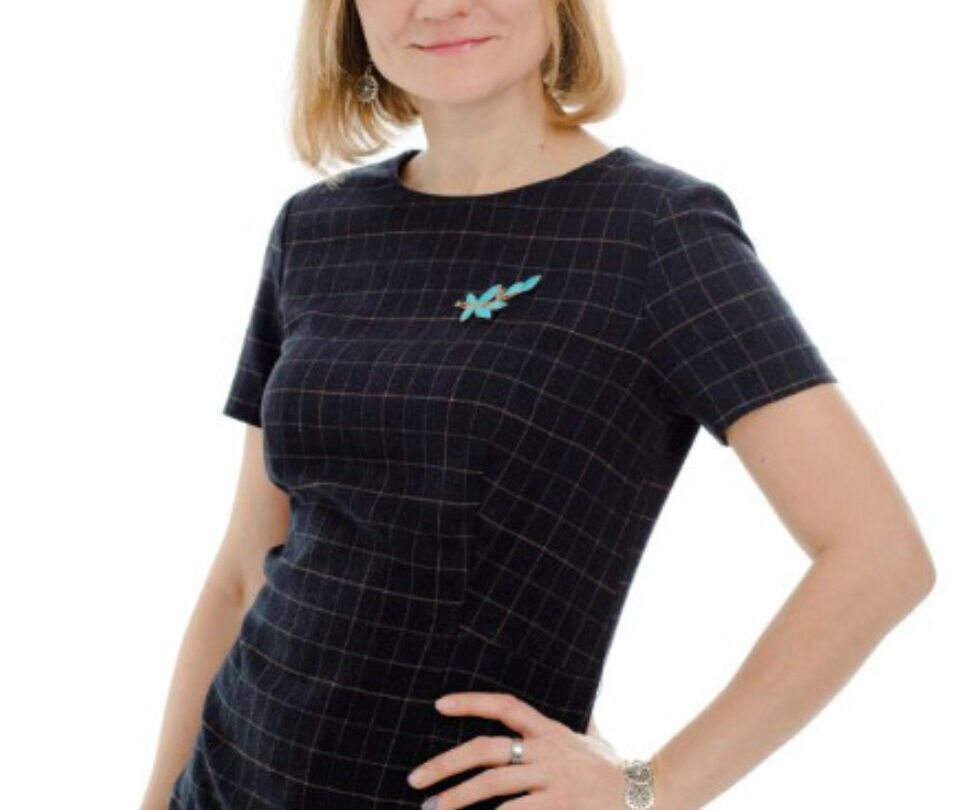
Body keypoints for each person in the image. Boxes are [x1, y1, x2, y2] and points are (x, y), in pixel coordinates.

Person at [142, 2, 936, 809]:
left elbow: (879, 554)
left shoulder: (655, 232)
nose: (440, 6)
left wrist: (650, 789)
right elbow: (243, 573)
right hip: (227, 782)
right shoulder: (315, 229)